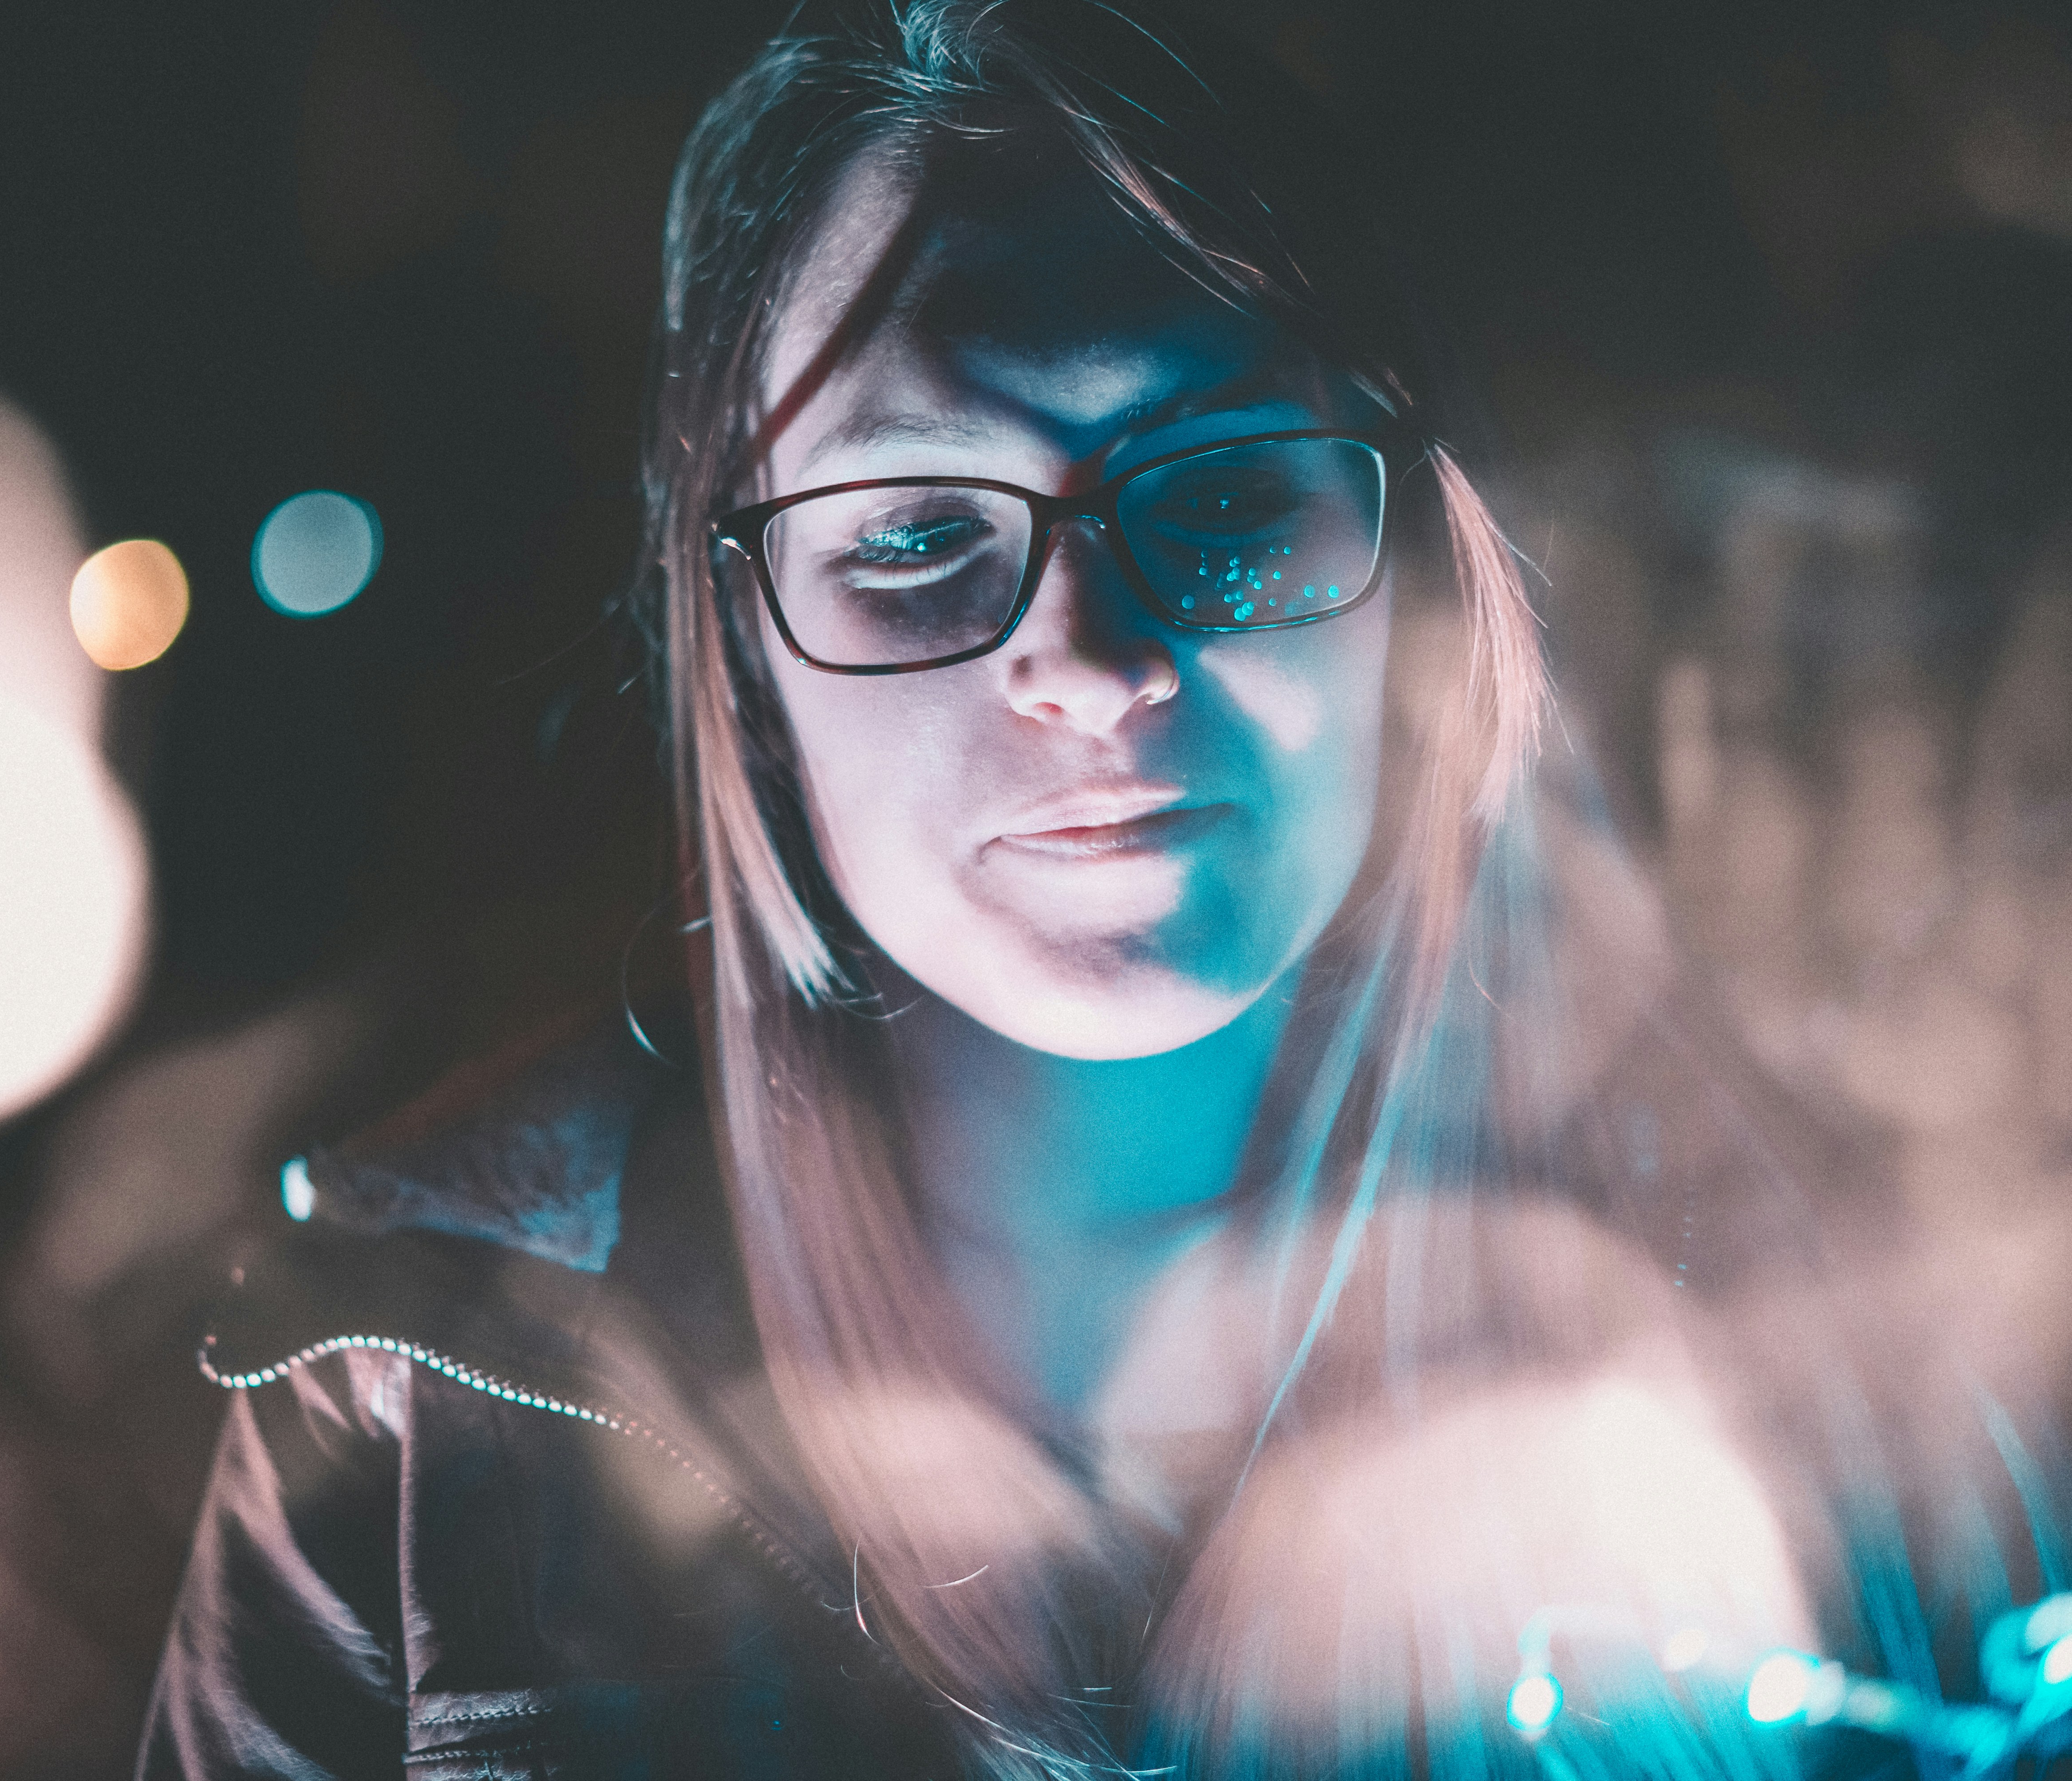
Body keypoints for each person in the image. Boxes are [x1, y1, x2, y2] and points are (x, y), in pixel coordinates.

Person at [140, 4, 2062, 1776]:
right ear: (742, 643)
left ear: (1425, 559)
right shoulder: (410, 1388)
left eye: (1219, 490)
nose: (1097, 657)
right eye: (912, 534)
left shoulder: (1846, 1322)